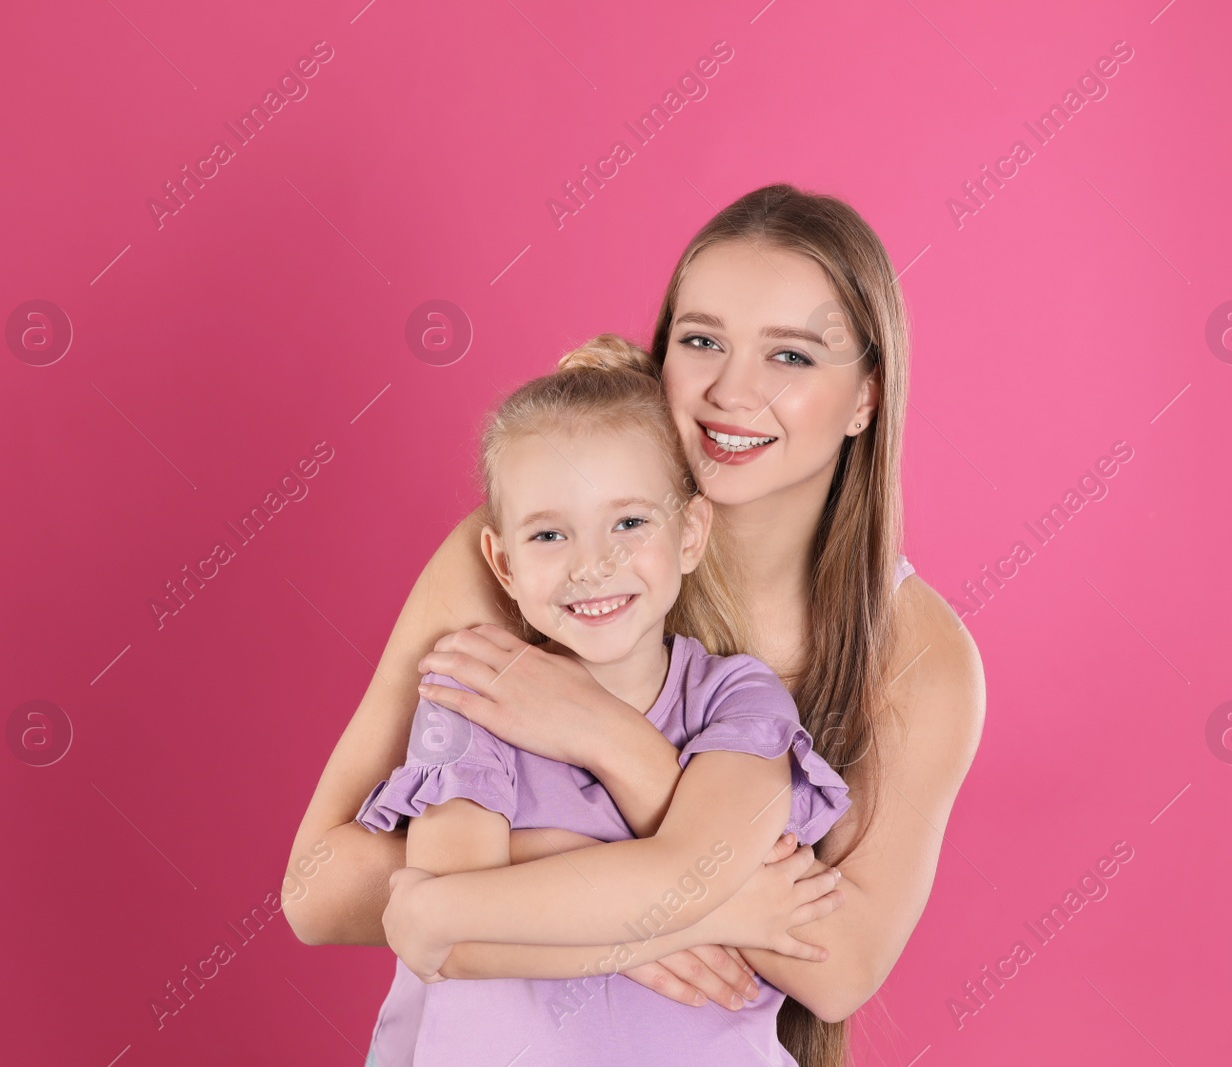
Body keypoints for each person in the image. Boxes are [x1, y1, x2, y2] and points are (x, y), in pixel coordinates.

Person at [284, 184, 986, 1067]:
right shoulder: (529, 560)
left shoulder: (921, 654)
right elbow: (317, 887)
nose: (733, 390)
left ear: (866, 398)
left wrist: (606, 736)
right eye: (701, 341)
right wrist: (676, 907)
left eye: (793, 357)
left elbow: (838, 962)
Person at [356, 334, 854, 1065]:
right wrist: (709, 916)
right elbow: (457, 943)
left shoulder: (739, 700)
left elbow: (689, 865)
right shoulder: (474, 698)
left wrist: (452, 899)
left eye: (629, 523)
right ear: (504, 562)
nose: (594, 564)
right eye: (551, 533)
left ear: (689, 533)